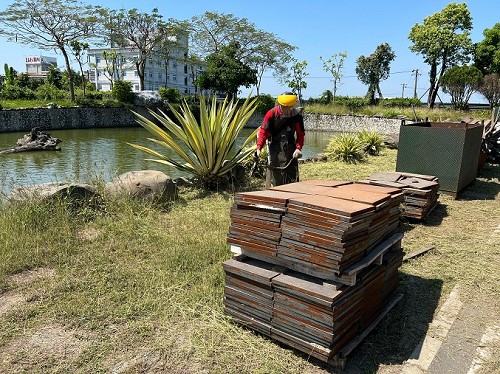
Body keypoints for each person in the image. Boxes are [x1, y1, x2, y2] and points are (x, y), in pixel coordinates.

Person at [256, 92, 305, 188]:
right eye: (285, 107)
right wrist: (259, 148)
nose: (288, 110)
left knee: (292, 180)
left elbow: (300, 135)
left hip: (291, 150)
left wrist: (298, 148)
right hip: (275, 149)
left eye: (290, 107)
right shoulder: (271, 114)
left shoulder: (297, 116)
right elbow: (263, 132)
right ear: (280, 105)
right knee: (275, 179)